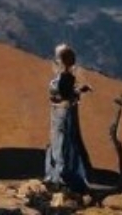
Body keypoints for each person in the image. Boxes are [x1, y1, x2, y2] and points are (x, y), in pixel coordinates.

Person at [44, 44, 95, 197]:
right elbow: (67, 93)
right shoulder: (67, 78)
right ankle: (59, 176)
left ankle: (60, 177)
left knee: (61, 143)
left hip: (62, 114)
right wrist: (78, 91)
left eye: (57, 58)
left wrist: (75, 92)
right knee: (61, 142)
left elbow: (64, 94)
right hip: (61, 113)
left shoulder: (65, 78)